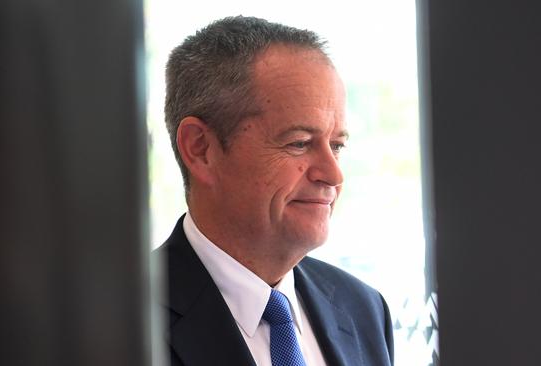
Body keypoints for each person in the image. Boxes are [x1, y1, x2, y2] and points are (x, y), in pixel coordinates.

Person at [153, 16, 394, 366]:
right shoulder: (117, 322)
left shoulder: (362, 308)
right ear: (200, 149)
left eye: (337, 145)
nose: (333, 173)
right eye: (299, 143)